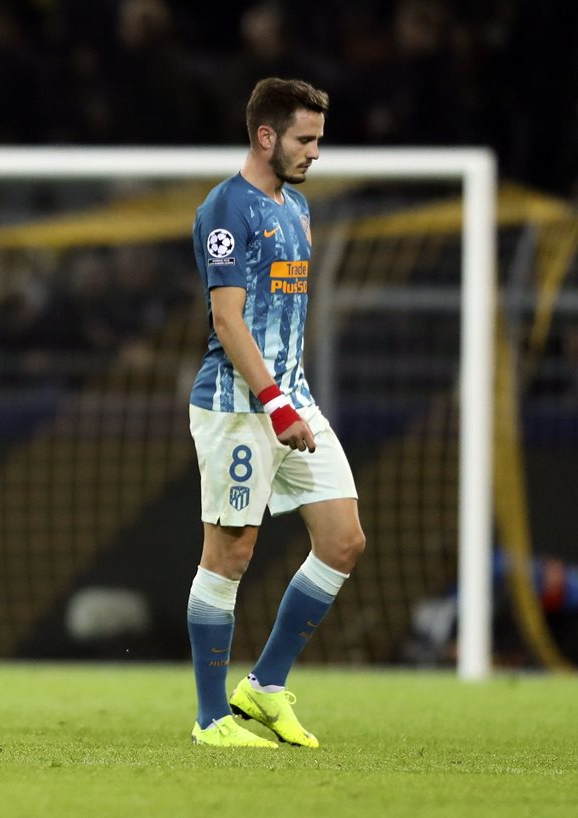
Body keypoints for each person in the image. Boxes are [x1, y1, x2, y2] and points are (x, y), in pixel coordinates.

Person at [186, 77, 365, 748]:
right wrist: (274, 402)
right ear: (267, 136)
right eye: (305, 139)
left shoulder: (295, 209)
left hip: (292, 398)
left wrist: (290, 400)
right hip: (240, 406)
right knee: (231, 554)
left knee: (343, 540)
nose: (316, 152)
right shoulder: (225, 210)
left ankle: (262, 690)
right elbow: (228, 322)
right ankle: (210, 720)